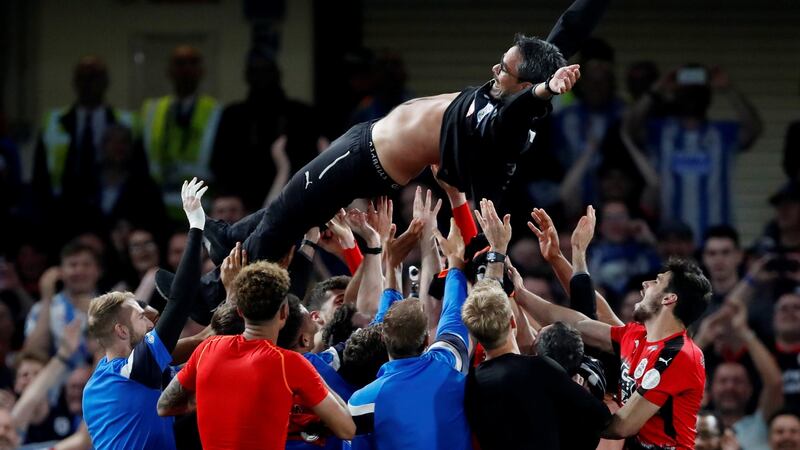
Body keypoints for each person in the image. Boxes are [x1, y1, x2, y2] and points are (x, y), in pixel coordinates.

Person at [169, 0, 609, 310]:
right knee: (295, 212)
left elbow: (512, 118)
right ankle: (228, 239)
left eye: (504, 69)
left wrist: (543, 91)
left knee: (286, 214)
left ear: (523, 84)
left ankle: (210, 291)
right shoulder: (514, 88)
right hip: (375, 156)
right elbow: (568, 29)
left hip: (365, 156)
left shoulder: (501, 121)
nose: (494, 69)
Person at [520, 205, 713, 449]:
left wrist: (566, 406)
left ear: (669, 299)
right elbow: (581, 320)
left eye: (657, 281)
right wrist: (520, 290)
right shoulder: (636, 336)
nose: (645, 284)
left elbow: (623, 425)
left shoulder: (680, 355)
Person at [157, 261, 355, 450]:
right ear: (284, 312)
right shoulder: (290, 364)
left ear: (240, 311)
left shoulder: (208, 348)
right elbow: (347, 429)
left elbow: (164, 406)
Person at [81, 178, 206, 450]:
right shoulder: (132, 371)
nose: (150, 322)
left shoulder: (105, 380)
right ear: (121, 331)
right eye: (141, 317)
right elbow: (180, 301)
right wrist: (196, 226)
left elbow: (201, 344)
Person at [31, 56, 137, 238]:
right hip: (62, 212)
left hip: (110, 212)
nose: (89, 83)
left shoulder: (125, 122)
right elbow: (40, 176)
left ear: (106, 82)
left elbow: (136, 171)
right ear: (75, 82)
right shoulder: (54, 121)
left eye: (95, 77)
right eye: (84, 77)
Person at [141, 46, 221, 219]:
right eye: (180, 63)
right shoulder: (151, 110)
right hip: (156, 206)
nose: (186, 69)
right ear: (169, 71)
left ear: (202, 71)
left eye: (192, 63)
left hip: (200, 207)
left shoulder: (215, 112)